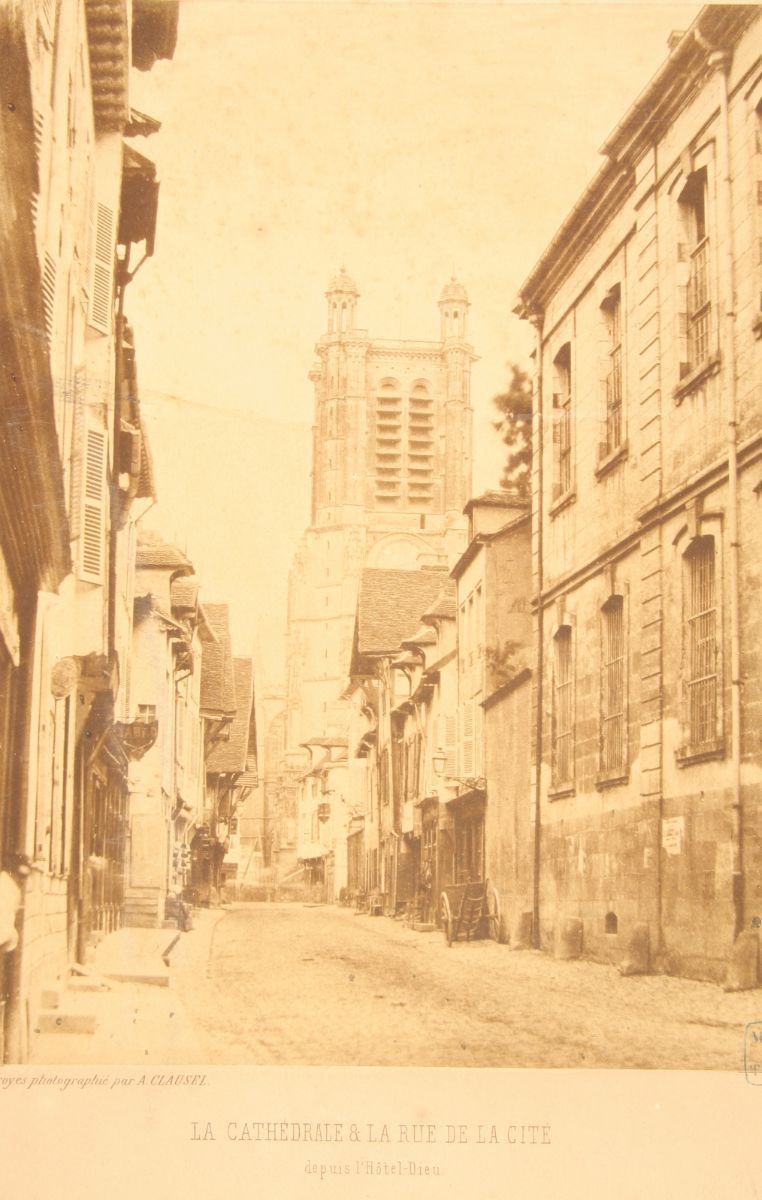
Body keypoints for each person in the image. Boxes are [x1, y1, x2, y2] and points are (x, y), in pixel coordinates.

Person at [0, 854, 32, 954]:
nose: (22, 880)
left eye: (25, 877)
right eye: (20, 875)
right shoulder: (5, 886)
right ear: (12, 872)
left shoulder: (13, 889)